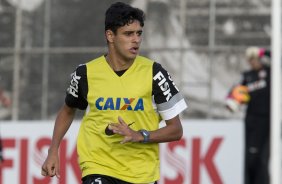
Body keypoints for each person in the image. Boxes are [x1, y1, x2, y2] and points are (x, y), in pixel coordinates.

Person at [41, 2, 187, 184]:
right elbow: (67, 110)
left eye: (139, 33)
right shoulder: (85, 73)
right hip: (97, 166)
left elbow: (176, 130)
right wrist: (53, 150)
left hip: (141, 174)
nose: (136, 40)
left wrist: (140, 135)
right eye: (128, 34)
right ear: (110, 35)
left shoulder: (154, 73)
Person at [225, 47, 270, 184]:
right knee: (251, 159)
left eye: (255, 58)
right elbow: (230, 98)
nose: (253, 62)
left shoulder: (271, 73)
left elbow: (276, 55)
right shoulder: (246, 76)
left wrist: (262, 51)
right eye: (250, 59)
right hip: (252, 121)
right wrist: (233, 102)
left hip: (269, 120)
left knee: (264, 158)